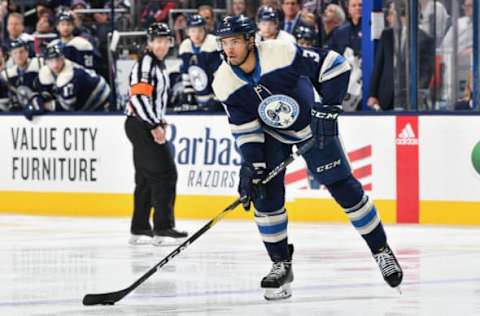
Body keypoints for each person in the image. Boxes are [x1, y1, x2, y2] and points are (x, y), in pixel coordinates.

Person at [212, 15, 403, 301]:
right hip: (271, 135)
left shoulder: (282, 52)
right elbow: (245, 129)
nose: (230, 49)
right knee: (265, 198)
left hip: (312, 129)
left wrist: (328, 108)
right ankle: (281, 264)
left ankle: (381, 251)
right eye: (225, 43)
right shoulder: (224, 82)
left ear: (251, 40)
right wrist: (251, 165)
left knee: (345, 190)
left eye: (235, 41)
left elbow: (336, 65)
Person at [125, 23, 188, 246]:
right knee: (165, 174)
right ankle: (163, 228)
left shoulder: (156, 65)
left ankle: (140, 228)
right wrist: (153, 125)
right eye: (157, 40)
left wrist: (158, 120)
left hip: (141, 124)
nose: (162, 45)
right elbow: (138, 98)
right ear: (149, 42)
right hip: (142, 125)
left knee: (146, 178)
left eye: (166, 41)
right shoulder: (147, 64)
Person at [34, 44, 110, 113]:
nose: (55, 65)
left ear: (63, 58)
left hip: (101, 97)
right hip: (84, 97)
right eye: (51, 61)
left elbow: (67, 107)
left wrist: (44, 105)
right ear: (46, 62)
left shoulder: (70, 76)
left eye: (58, 59)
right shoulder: (48, 72)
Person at [178, 15, 223, 111]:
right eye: (193, 31)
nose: (197, 34)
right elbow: (186, 73)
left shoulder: (212, 44)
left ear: (205, 30)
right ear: (188, 32)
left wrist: (218, 96)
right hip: (198, 96)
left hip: (215, 97)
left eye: (200, 30)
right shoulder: (185, 46)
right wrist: (188, 94)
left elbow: (219, 74)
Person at [0, 40, 44, 117]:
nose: (18, 55)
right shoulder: (8, 73)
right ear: (11, 55)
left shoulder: (39, 64)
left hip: (39, 105)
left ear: (27, 52)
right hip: (19, 109)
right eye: (15, 53)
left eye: (21, 52)